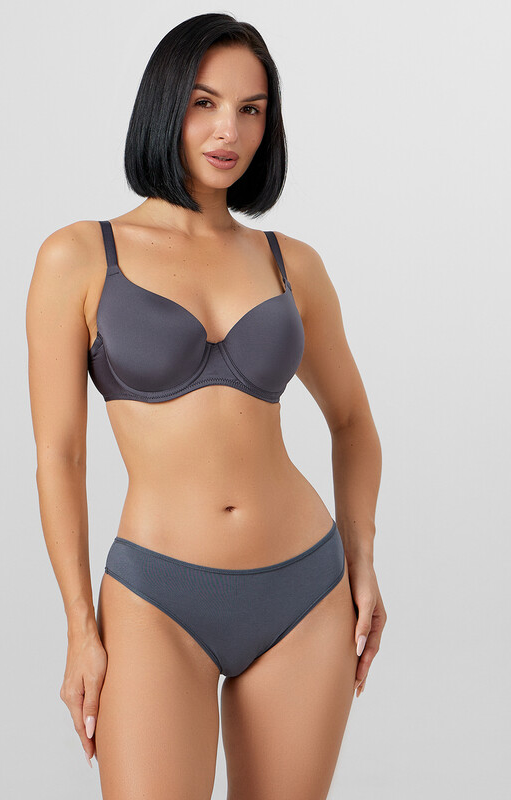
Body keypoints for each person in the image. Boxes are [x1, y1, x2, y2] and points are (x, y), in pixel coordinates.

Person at [26, 12, 386, 800]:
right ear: (166, 105)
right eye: (205, 102)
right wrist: (79, 625)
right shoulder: (79, 256)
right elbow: (60, 455)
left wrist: (361, 560)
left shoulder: (292, 264)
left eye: (251, 109)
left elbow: (353, 422)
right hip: (156, 597)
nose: (230, 131)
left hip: (306, 591)